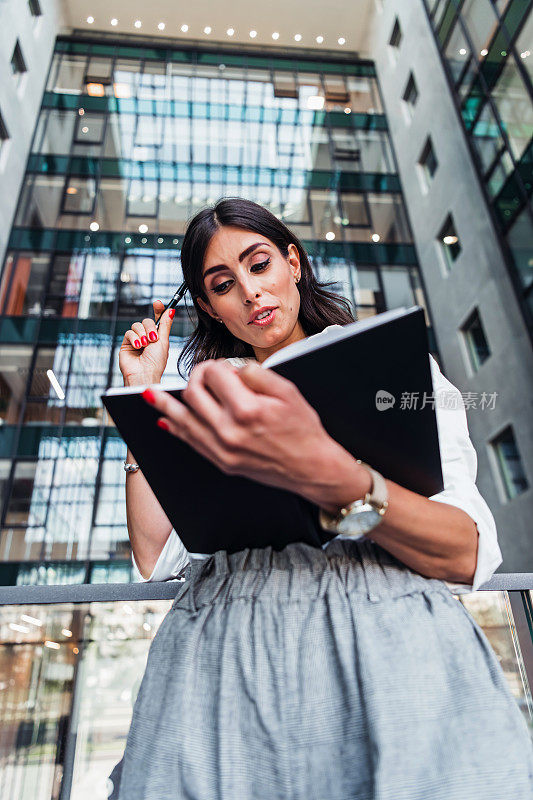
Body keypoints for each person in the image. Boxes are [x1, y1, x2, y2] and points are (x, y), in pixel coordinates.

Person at [115, 198, 533, 799]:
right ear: (207, 307)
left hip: (387, 646)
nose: (252, 294)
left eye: (260, 265)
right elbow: (154, 557)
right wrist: (145, 395)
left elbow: (467, 550)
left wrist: (342, 484)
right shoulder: (211, 399)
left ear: (294, 262)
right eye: (224, 285)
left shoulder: (393, 367)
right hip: (221, 663)